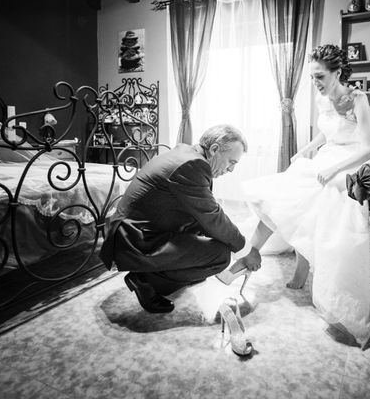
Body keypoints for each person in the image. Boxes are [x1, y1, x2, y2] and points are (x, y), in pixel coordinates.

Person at [228, 44, 370, 347]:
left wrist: (336, 167)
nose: (316, 83)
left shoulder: (358, 99)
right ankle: (252, 252)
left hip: (353, 163)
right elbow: (328, 132)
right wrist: (307, 149)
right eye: (313, 78)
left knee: (322, 195)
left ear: (337, 72)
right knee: (283, 190)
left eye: (320, 77)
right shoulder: (321, 97)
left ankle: (307, 265)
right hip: (327, 157)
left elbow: (369, 148)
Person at [99, 124, 261, 313]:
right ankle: (145, 281)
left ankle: (173, 272)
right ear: (215, 149)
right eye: (231, 162)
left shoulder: (187, 154)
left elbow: (204, 214)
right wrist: (246, 250)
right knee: (219, 256)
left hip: (143, 228)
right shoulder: (192, 165)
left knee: (207, 236)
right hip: (136, 238)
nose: (231, 169)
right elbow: (213, 217)